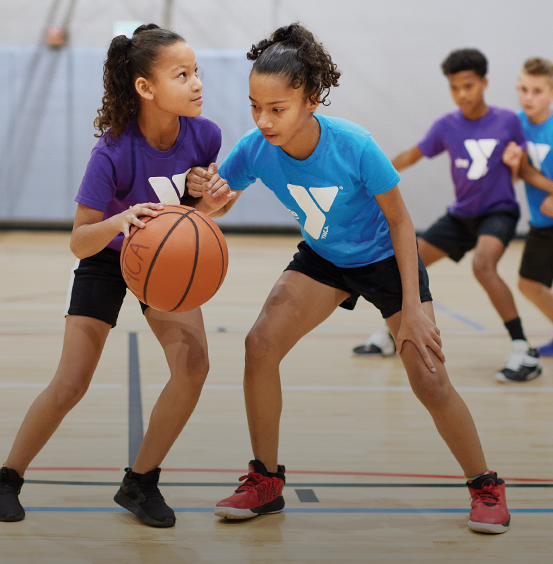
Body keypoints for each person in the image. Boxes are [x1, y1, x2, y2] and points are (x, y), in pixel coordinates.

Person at [187, 24, 510, 534]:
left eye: (277, 108)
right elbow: (213, 206)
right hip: (324, 257)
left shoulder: (355, 145)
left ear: (311, 99)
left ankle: (485, 484)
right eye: (255, 107)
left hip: (385, 258)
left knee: (428, 377)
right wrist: (205, 194)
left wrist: (415, 309)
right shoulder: (253, 149)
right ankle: (265, 480)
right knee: (259, 346)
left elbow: (403, 223)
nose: (264, 120)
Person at [0, 24, 233, 527]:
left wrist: (210, 203)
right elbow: (78, 239)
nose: (197, 83)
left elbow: (195, 217)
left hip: (163, 260)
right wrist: (118, 222)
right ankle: (8, 475)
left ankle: (140, 483)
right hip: (106, 255)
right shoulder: (112, 151)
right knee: (71, 382)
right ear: (145, 87)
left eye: (197, 72)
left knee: (194, 366)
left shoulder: (205, 135)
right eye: (182, 74)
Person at [352, 49, 542, 383]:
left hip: (498, 212)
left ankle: (522, 348)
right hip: (460, 216)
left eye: (468, 86)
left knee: (483, 265)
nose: (462, 95)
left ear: (484, 83)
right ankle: (391, 333)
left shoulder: (508, 121)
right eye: (455, 88)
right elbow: (411, 155)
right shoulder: (446, 126)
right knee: (404, 261)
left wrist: (518, 164)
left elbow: (521, 169)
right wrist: (367, 177)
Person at [502, 58, 553, 356]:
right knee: (529, 284)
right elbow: (516, 176)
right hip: (542, 220)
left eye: (537, 91)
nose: (529, 97)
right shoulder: (516, 124)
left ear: (551, 93)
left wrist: (534, 177)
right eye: (524, 89)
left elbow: (530, 174)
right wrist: (514, 168)